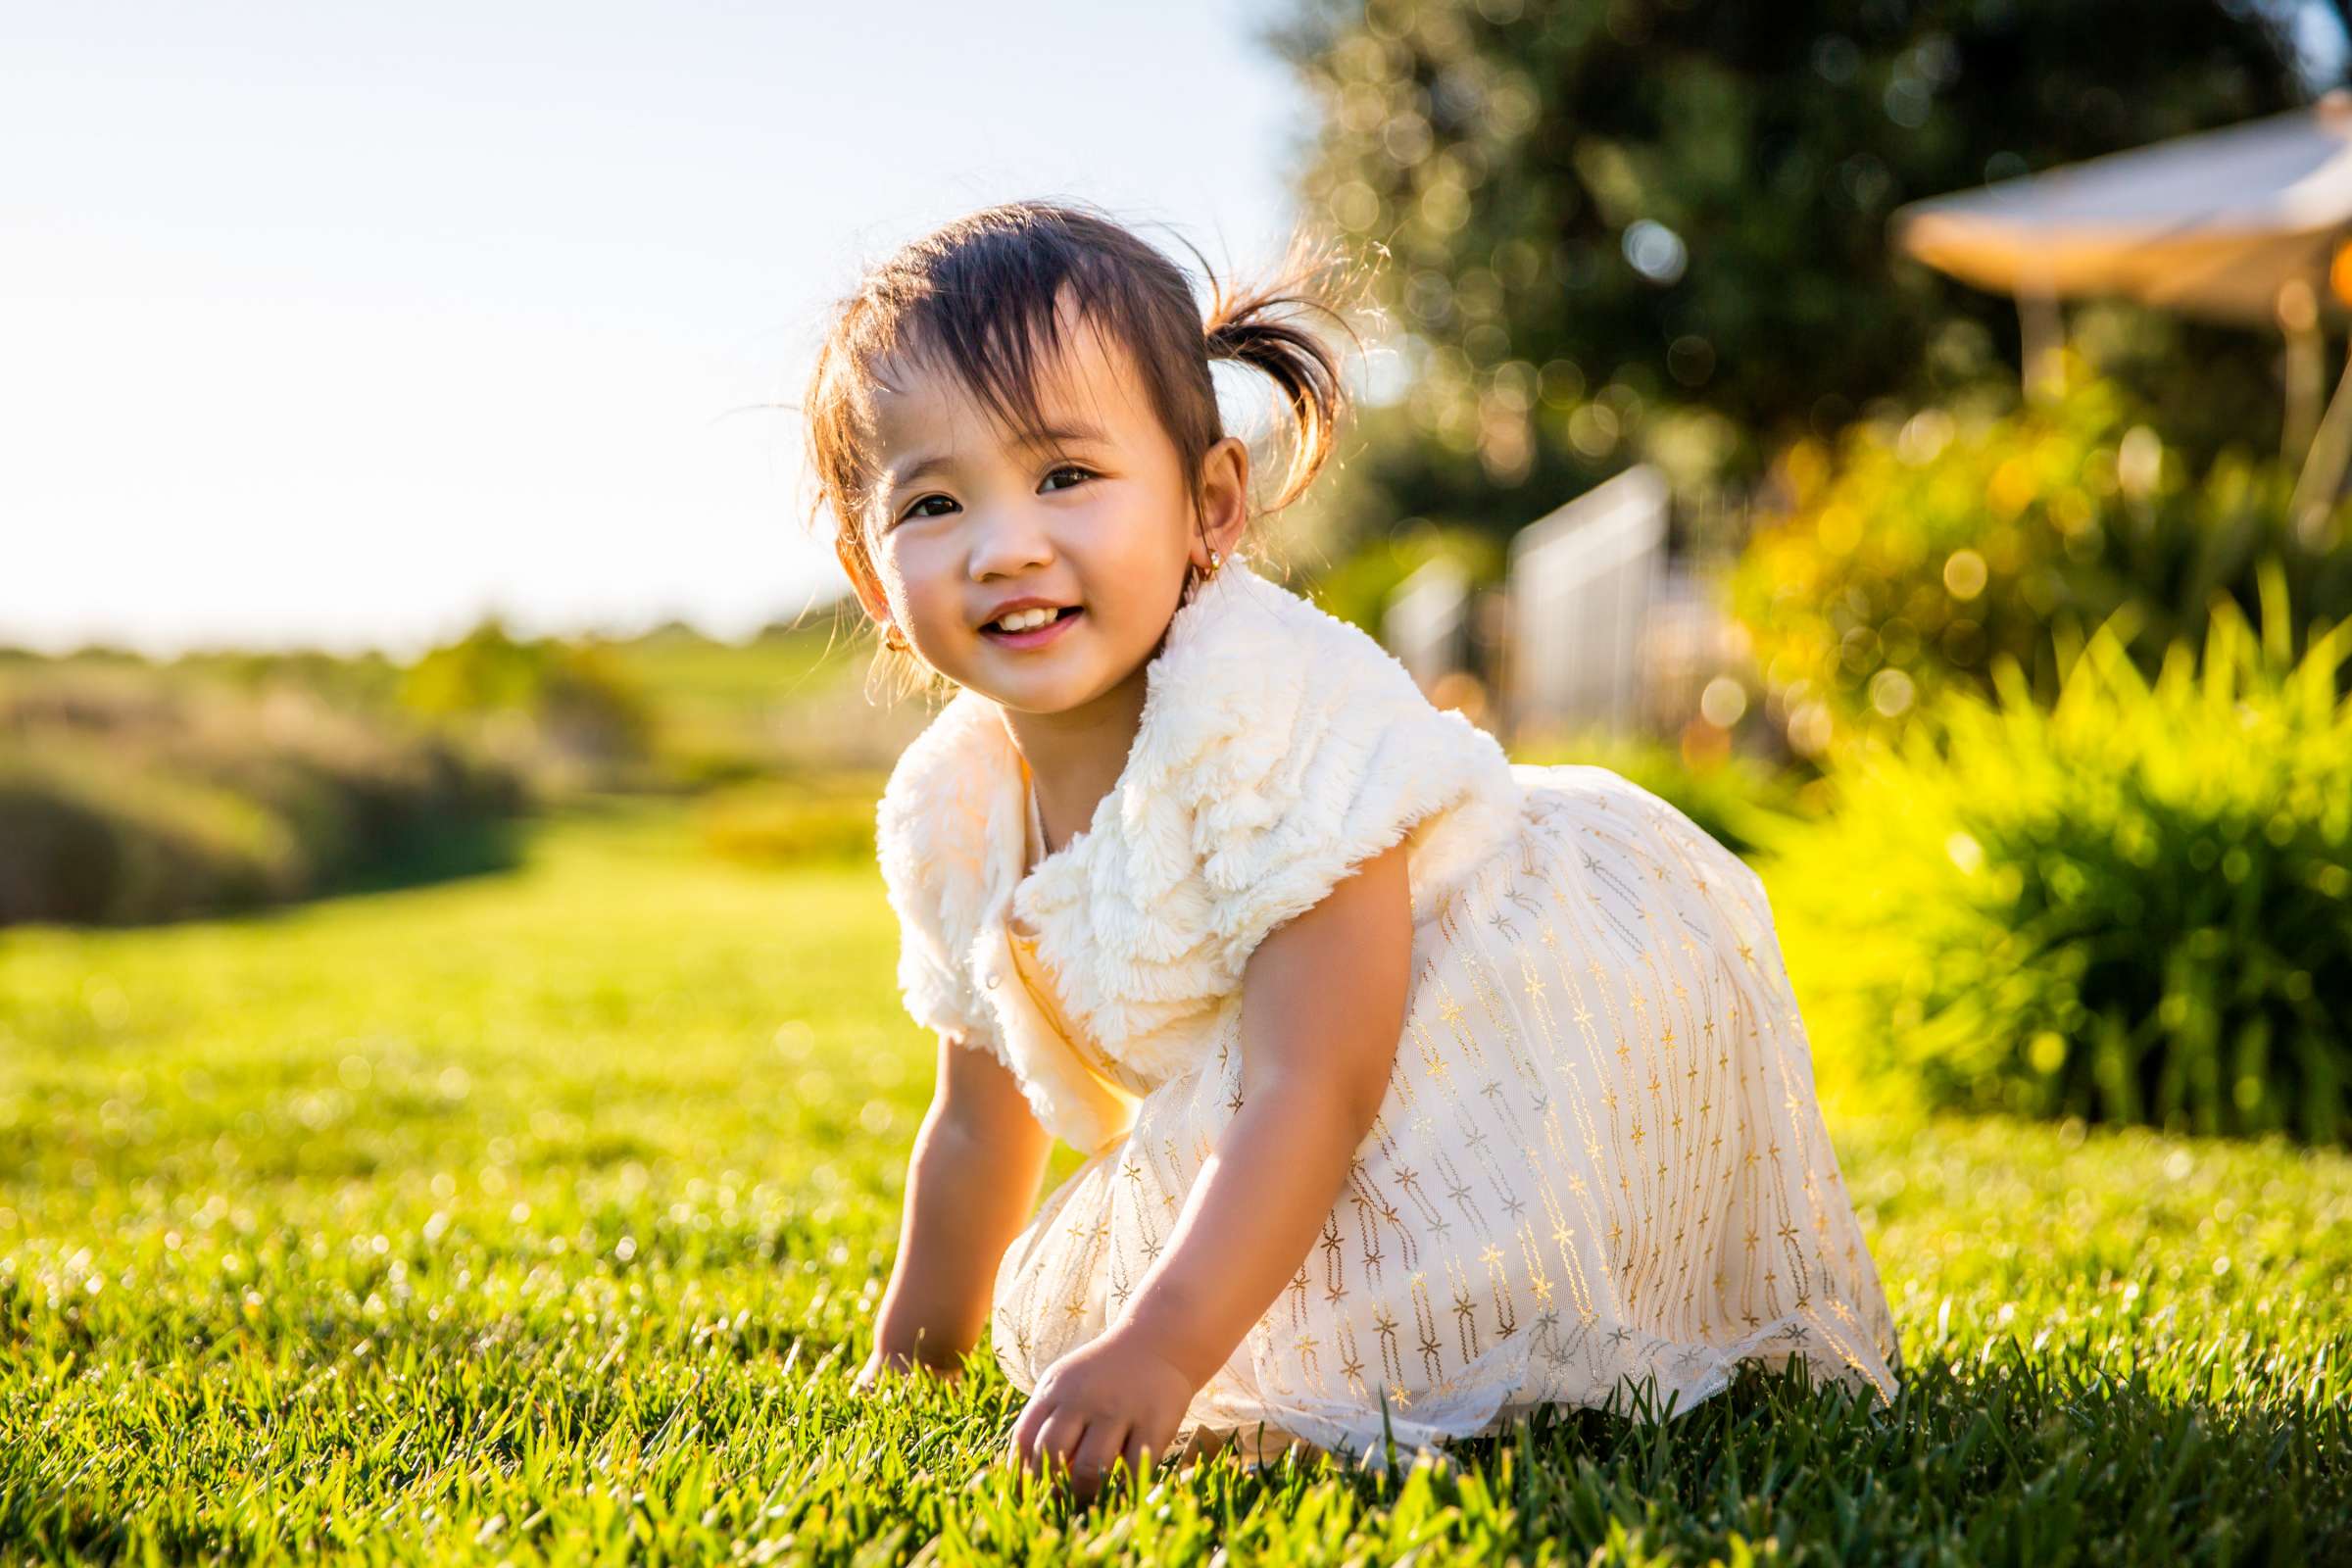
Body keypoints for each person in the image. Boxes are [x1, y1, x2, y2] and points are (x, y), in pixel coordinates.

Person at [804, 199, 1902, 1495]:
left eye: (1065, 476)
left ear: (1211, 502)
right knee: (1244, 1244)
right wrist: (915, 1358)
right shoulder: (958, 813)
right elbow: (979, 1122)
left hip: (1507, 997)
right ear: (873, 579)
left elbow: (1315, 1089)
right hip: (1294, 1075)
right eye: (934, 502)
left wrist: (1158, 1349)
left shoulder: (1268, 718)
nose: (1006, 544)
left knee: (1434, 1320)